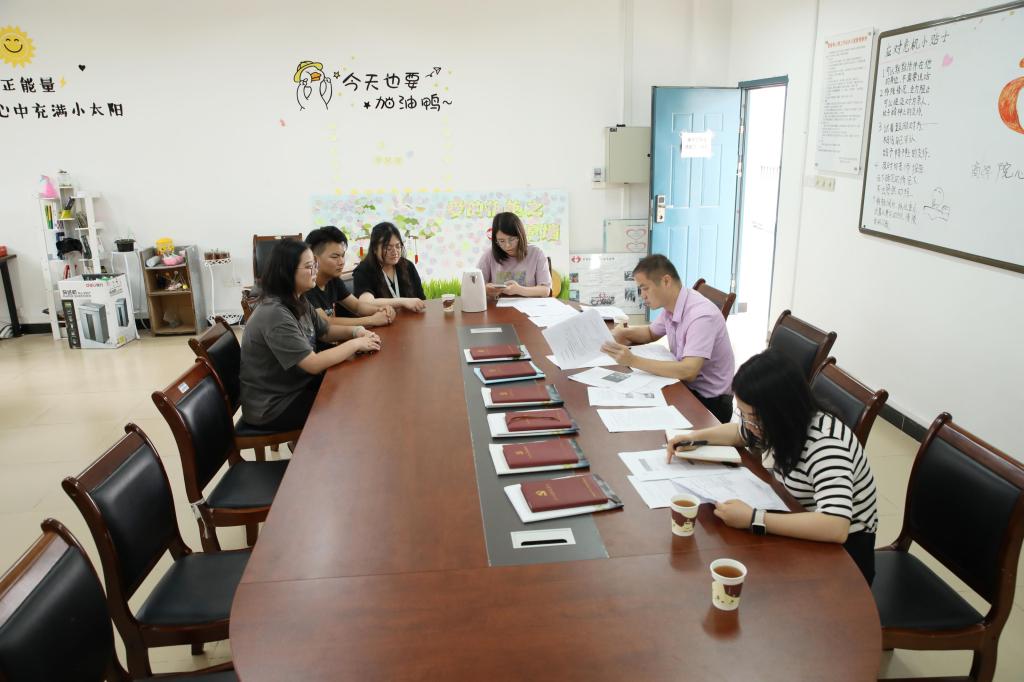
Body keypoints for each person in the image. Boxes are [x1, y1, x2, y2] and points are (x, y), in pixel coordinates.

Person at [667, 350, 879, 584]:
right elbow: (740, 433)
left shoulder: (826, 444)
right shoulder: (780, 423)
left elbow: (835, 526)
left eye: (753, 418)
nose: (749, 424)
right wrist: (695, 437)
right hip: (796, 515)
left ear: (780, 410)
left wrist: (753, 518)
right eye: (743, 415)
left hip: (843, 556)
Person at [240, 239, 381, 431]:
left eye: (314, 264)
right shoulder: (274, 313)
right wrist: (355, 344)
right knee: (349, 405)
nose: (315, 270)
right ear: (286, 272)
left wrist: (356, 331)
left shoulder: (297, 298)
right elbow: (313, 364)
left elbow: (325, 331)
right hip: (274, 405)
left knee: (353, 386)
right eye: (309, 266)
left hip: (295, 386)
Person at [600, 254, 735, 423]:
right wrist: (624, 333)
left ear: (666, 281)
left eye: (645, 288)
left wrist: (632, 360)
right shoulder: (673, 303)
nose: (642, 295)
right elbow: (651, 333)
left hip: (709, 402)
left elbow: (688, 371)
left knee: (641, 416)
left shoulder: (701, 316)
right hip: (686, 386)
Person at [304, 226, 396, 333]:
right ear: (314, 259)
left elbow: (357, 307)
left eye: (342, 256)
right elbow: (325, 322)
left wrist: (382, 310)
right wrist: (372, 320)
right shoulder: (305, 285)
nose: (341, 262)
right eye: (335, 257)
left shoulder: (333, 280)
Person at [352, 222, 427, 312]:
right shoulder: (363, 271)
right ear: (375, 249)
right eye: (388, 248)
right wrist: (403, 302)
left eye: (398, 246)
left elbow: (421, 299)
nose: (395, 252)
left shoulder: (408, 266)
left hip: (411, 319)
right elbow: (365, 303)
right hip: (383, 320)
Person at [477, 212, 552, 298]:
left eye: (512, 239)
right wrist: (486, 289)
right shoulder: (489, 254)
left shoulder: (536, 253)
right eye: (501, 241)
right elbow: (476, 285)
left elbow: (545, 290)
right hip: (498, 305)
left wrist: (519, 290)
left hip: (529, 305)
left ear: (520, 236)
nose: (507, 245)